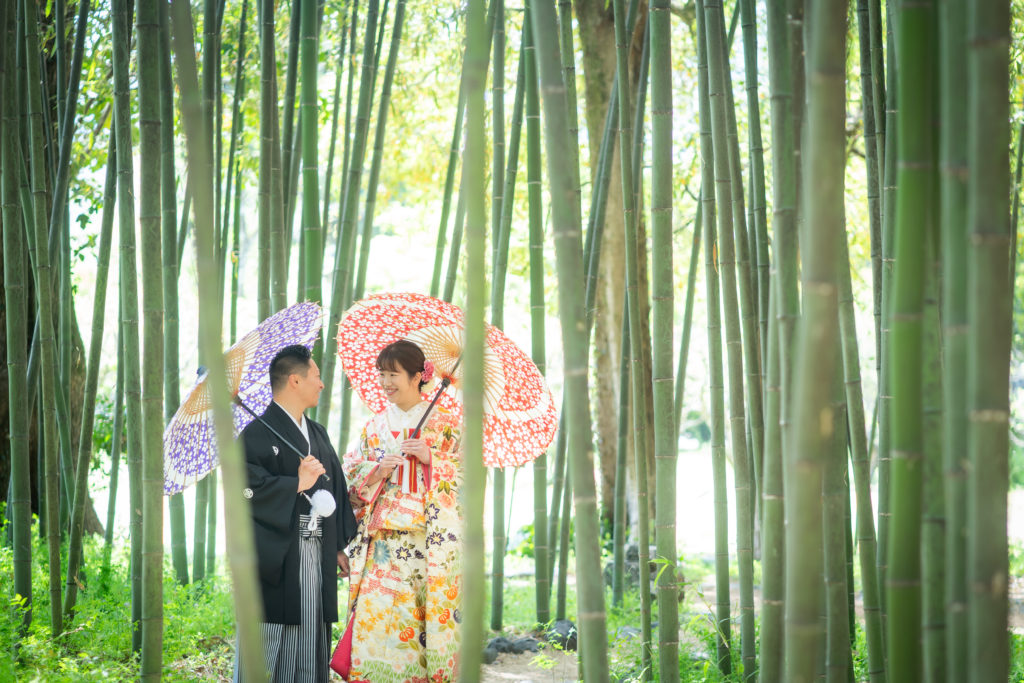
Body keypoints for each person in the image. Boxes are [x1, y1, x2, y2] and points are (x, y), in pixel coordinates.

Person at [340, 339, 463, 682]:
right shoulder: (374, 426)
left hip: (429, 544)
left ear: (417, 376)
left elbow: (470, 476)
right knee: (377, 621)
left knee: (421, 625)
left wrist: (432, 458)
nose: (385, 382)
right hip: (382, 544)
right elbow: (349, 473)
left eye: (393, 374)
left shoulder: (446, 424)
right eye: (381, 374)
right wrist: (376, 471)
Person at [235, 344, 358, 682]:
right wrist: (295, 483)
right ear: (295, 380)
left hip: (318, 548)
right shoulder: (256, 432)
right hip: (277, 554)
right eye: (316, 376)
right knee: (269, 635)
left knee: (309, 632)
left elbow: (335, 487)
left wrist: (336, 546)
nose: (321, 383)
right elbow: (242, 489)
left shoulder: (317, 432)